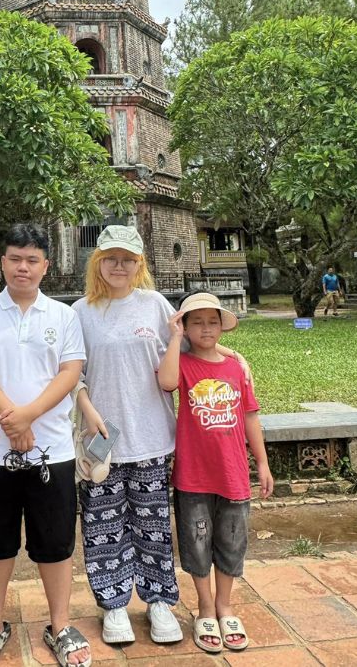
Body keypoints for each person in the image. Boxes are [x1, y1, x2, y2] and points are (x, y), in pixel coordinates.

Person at [73, 226, 250, 649]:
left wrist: (235, 356)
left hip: (152, 435)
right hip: (101, 440)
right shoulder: (79, 311)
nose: (120, 265)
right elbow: (72, 372)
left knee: (153, 525)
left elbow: (189, 347)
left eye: (129, 259)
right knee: (103, 524)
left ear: (140, 264)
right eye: (111, 258)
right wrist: (89, 410)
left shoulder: (154, 305)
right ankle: (113, 602)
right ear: (98, 261)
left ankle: (158, 601)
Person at [0, 224, 91, 667]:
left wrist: (29, 415)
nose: (23, 267)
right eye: (15, 258)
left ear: (45, 266)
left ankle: (60, 624)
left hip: (52, 452)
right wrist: (12, 422)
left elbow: (70, 373)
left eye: (32, 260)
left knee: (55, 544)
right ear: (3, 262)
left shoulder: (63, 316)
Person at [158, 292, 273, 654]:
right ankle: (204, 606)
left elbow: (250, 416)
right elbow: (165, 381)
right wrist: (175, 336)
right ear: (186, 327)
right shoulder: (186, 364)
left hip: (234, 474)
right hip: (193, 475)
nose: (206, 328)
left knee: (232, 541)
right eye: (196, 321)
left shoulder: (237, 369)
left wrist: (263, 462)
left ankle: (225, 604)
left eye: (212, 321)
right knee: (196, 542)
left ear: (223, 325)